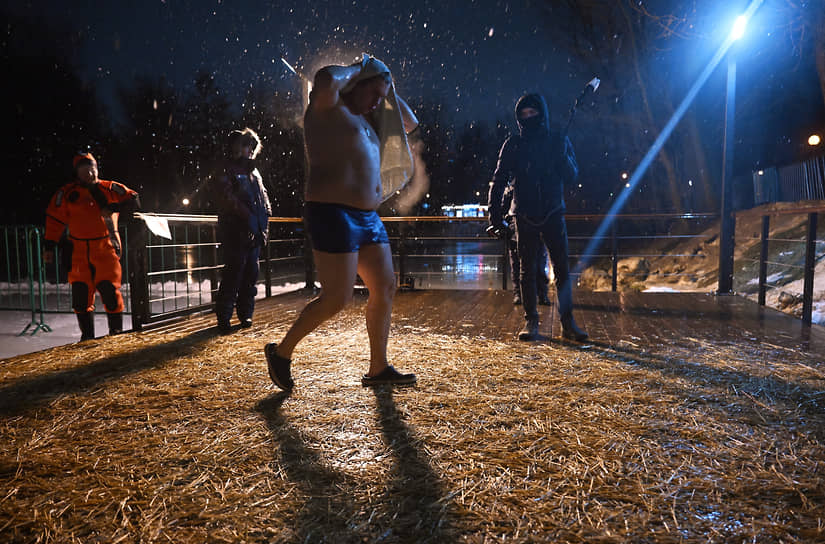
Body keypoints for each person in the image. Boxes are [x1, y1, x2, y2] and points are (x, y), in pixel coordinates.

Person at [265, 54, 419, 390]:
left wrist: (386, 85)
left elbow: (409, 122)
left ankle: (379, 367)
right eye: (373, 94)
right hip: (331, 211)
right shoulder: (327, 107)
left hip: (368, 217)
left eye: (381, 97)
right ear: (355, 84)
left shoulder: (369, 120)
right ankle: (281, 352)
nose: (378, 102)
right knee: (337, 297)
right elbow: (324, 79)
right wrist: (361, 69)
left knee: (385, 286)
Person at [488, 93, 588, 342]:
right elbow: (498, 179)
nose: (529, 117)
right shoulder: (513, 144)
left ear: (542, 113)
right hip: (523, 214)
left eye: (533, 112)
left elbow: (572, 175)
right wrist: (495, 216)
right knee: (527, 271)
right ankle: (531, 321)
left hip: (554, 211)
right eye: (524, 114)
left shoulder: (558, 139)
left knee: (562, 270)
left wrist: (562, 156)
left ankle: (568, 323)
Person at [44, 152, 140, 341]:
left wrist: (113, 209)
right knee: (80, 297)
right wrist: (49, 245)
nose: (89, 172)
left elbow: (134, 200)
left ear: (97, 168)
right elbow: (54, 220)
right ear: (76, 173)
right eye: (84, 169)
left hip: (106, 248)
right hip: (77, 251)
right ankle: (86, 338)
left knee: (110, 293)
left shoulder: (110, 188)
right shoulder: (66, 193)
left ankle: (116, 335)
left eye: (92, 168)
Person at [212, 128, 272, 333]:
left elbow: (263, 200)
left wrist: (262, 225)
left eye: (252, 146)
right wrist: (248, 218)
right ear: (236, 147)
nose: (249, 150)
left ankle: (246, 314)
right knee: (234, 273)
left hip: (253, 232)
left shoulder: (254, 171)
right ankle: (224, 317)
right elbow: (227, 199)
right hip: (235, 231)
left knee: (250, 274)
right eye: (246, 145)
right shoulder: (227, 169)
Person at [500, 185, 551, 306]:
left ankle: (529, 294)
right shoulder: (537, 184)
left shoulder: (512, 188)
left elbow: (502, 209)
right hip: (522, 229)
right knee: (530, 264)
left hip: (527, 228)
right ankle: (535, 294)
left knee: (529, 264)